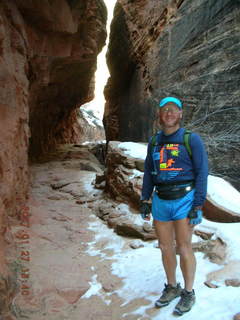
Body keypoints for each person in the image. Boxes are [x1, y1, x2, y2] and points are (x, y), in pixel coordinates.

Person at [140, 96, 208, 316]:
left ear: (180, 114)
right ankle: (172, 287)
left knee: (184, 246)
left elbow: (202, 172)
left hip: (184, 199)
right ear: (160, 114)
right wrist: (145, 199)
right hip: (161, 199)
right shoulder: (154, 142)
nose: (169, 113)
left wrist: (198, 205)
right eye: (164, 110)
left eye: (173, 110)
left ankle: (188, 292)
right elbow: (149, 172)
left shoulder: (191, 139)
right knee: (165, 246)